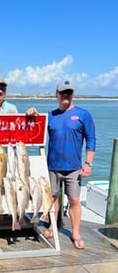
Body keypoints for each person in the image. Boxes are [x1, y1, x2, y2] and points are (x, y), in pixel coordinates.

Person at [26, 79, 96, 250]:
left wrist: (88, 163)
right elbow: (32, 130)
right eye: (62, 93)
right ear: (56, 95)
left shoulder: (83, 114)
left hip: (74, 167)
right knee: (53, 198)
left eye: (69, 92)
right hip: (52, 166)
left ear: (73, 94)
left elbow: (91, 140)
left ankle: (76, 232)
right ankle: (52, 226)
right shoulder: (50, 116)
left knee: (74, 199)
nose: (66, 95)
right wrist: (30, 114)